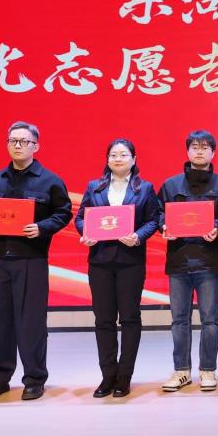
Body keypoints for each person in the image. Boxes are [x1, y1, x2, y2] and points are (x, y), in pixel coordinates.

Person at [0, 121, 72, 402]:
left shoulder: (50, 181)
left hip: (31, 259)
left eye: (24, 141)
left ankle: (34, 379)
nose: (18, 145)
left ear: (36, 146)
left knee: (31, 322)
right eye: (13, 140)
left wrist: (42, 227)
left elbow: (63, 213)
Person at [75, 138, 160, 398]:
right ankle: (107, 376)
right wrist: (86, 232)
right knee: (103, 319)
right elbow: (81, 217)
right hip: (100, 261)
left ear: (134, 159)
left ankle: (124, 376)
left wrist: (138, 236)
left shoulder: (145, 188)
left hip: (130, 261)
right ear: (107, 159)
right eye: (113, 155)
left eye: (123, 154)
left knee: (130, 318)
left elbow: (153, 219)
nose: (118, 159)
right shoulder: (95, 187)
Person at [157, 129, 218, 393]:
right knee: (179, 320)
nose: (199, 151)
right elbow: (158, 213)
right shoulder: (171, 185)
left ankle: (207, 370)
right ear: (187, 151)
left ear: (213, 152)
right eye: (195, 146)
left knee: (209, 320)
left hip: (208, 262)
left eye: (205, 147)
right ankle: (181, 371)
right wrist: (164, 226)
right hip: (178, 261)